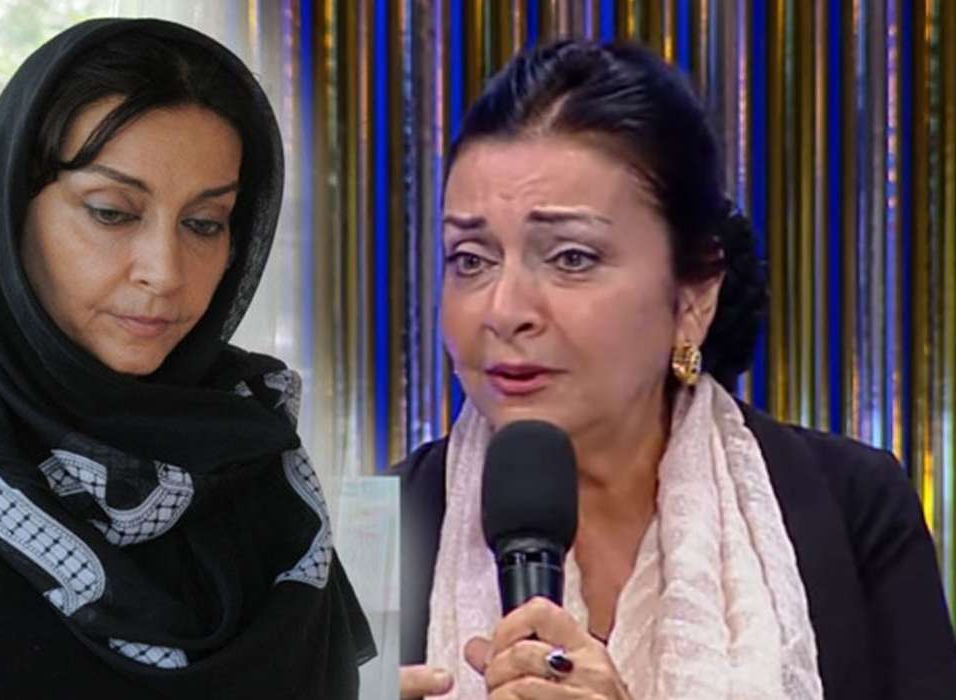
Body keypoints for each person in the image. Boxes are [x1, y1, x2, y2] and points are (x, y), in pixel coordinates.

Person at [0, 18, 373, 698]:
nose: (165, 272)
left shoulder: (254, 463)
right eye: (112, 212)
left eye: (203, 224)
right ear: (11, 210)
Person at [398, 39, 956, 699]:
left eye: (571, 257)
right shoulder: (370, 536)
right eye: (470, 259)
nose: (505, 310)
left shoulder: (852, 508)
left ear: (693, 299)